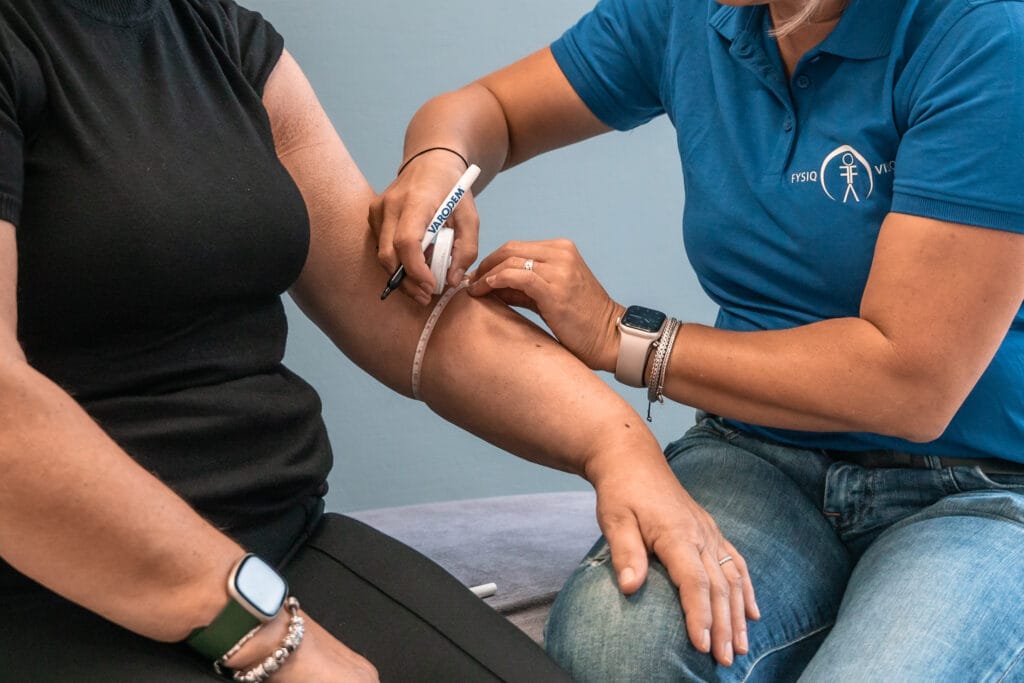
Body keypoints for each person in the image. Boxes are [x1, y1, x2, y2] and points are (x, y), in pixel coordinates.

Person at [0, 0, 756, 680]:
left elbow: (395, 309)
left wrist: (617, 446)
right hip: (59, 585)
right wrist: (266, 633)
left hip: (286, 543)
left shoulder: (219, 34)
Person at [369, 0, 1024, 680]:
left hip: (979, 484)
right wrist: (437, 164)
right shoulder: (693, 13)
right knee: (613, 647)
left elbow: (909, 384)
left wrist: (621, 335)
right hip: (761, 453)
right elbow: (491, 110)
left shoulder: (985, 32)